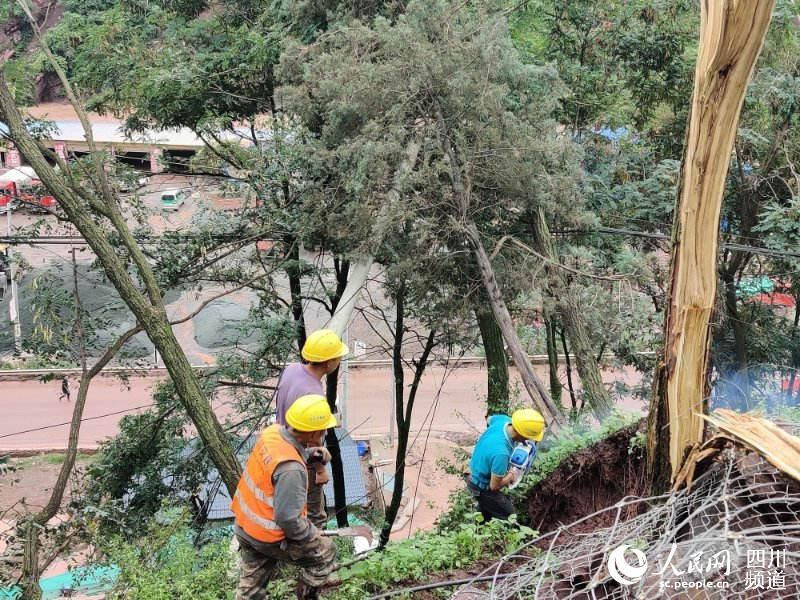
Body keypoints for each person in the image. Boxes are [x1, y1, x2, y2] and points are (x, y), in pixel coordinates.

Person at [232, 394, 339, 600]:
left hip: (246, 526)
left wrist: (308, 454)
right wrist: (313, 534)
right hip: (268, 536)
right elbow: (288, 519)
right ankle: (307, 596)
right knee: (325, 552)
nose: (325, 431)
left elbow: (276, 464)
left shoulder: (271, 433)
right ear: (313, 431)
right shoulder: (291, 470)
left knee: (250, 590)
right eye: (324, 428)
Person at [274, 329, 349, 528]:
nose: (339, 361)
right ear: (329, 362)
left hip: (282, 443)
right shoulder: (313, 394)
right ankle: (315, 551)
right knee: (314, 515)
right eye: (338, 357)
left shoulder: (291, 369)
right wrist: (320, 469)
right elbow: (314, 439)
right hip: (302, 456)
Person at [467, 408, 546, 521]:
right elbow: (494, 486)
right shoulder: (501, 454)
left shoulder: (503, 420)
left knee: (486, 513)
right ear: (521, 433)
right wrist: (510, 475)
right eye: (529, 437)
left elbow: (489, 419)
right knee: (510, 516)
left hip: (474, 467)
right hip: (480, 485)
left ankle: (480, 528)